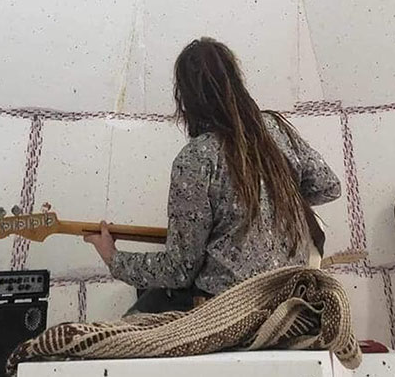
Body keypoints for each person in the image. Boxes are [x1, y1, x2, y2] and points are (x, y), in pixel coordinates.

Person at [84, 37, 341, 314]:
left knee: (137, 317)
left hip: (231, 307)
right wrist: (275, 202)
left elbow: (179, 270)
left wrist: (113, 257)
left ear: (185, 97)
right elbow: (328, 186)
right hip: (291, 297)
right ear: (235, 79)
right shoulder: (276, 129)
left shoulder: (196, 158)